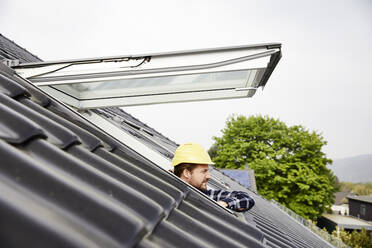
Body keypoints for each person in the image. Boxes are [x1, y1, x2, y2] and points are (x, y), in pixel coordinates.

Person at [172, 143, 255, 212]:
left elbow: (247, 199)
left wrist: (224, 203)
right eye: (204, 171)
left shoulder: (208, 195)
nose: (208, 176)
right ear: (186, 173)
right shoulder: (170, 194)